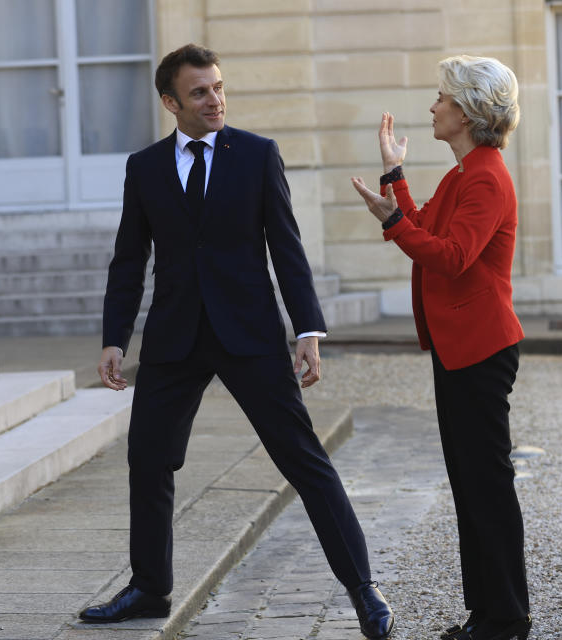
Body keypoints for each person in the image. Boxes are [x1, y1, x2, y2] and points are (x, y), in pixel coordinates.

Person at [78, 44, 394, 640]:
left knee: (305, 461)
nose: (215, 99)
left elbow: (287, 248)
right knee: (147, 458)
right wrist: (114, 338)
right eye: (199, 92)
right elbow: (128, 260)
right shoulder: (143, 167)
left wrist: (307, 329)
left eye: (219, 87)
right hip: (173, 338)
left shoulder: (256, 156)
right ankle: (149, 587)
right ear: (171, 102)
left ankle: (364, 590)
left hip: (248, 335)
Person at [351, 55, 531, 640]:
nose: (432, 107)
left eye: (441, 98)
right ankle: (489, 613)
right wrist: (393, 178)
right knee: (471, 484)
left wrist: (394, 222)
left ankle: (504, 618)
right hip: (462, 349)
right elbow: (425, 226)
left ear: (469, 110)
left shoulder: (484, 174)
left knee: (485, 486)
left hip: (479, 350)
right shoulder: (464, 172)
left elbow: (449, 256)